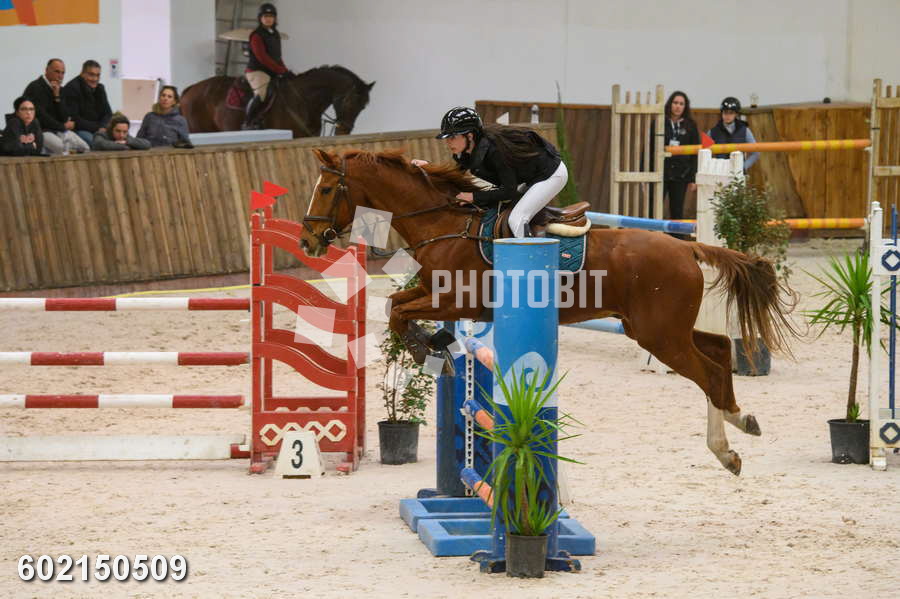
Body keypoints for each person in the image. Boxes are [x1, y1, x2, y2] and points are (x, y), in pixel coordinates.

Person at [411, 106, 567, 238]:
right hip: (530, 178)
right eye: (447, 138)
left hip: (551, 175)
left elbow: (508, 191)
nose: (448, 142)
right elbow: (453, 174)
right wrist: (428, 166)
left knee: (516, 219)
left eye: (452, 137)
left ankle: (531, 261)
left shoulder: (496, 151)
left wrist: (473, 196)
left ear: (469, 135)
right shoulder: (466, 152)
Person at [23, 58, 90, 155]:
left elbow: (64, 117)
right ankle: (42, 150)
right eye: (57, 72)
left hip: (58, 130)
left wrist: (57, 97)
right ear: (47, 70)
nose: (60, 76)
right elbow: (41, 117)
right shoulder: (35, 87)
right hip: (41, 131)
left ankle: (49, 151)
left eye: (63, 73)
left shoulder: (60, 90)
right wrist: (62, 126)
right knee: (61, 148)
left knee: (85, 148)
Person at [243, 2, 291, 129]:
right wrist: (280, 70)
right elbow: (262, 58)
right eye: (265, 16)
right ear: (260, 18)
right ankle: (248, 122)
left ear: (275, 18)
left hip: (272, 71)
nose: (268, 19)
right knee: (261, 94)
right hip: (257, 71)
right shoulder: (256, 35)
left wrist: (286, 70)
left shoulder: (275, 34)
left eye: (271, 16)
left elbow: (277, 57)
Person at [661, 90, 699, 222]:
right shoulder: (660, 122)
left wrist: (693, 177)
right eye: (675, 103)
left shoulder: (690, 125)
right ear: (670, 104)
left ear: (685, 107)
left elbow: (695, 152)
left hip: (681, 174)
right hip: (661, 172)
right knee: (654, 208)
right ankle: (653, 234)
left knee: (677, 211)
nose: (678, 106)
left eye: (681, 104)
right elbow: (649, 147)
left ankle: (676, 235)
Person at [63, 59, 113, 146]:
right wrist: (98, 127)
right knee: (95, 143)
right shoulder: (72, 88)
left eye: (98, 75)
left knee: (121, 138)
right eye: (91, 75)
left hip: (99, 128)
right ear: (82, 73)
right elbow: (75, 119)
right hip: (80, 130)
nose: (95, 79)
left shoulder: (100, 88)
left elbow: (108, 113)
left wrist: (103, 127)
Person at [707, 97, 759, 171]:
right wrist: (713, 167)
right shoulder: (713, 132)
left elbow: (756, 152)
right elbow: (704, 153)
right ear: (722, 113)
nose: (728, 116)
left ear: (736, 114)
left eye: (731, 113)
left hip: (738, 172)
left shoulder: (745, 130)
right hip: (720, 171)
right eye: (725, 112)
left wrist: (743, 167)